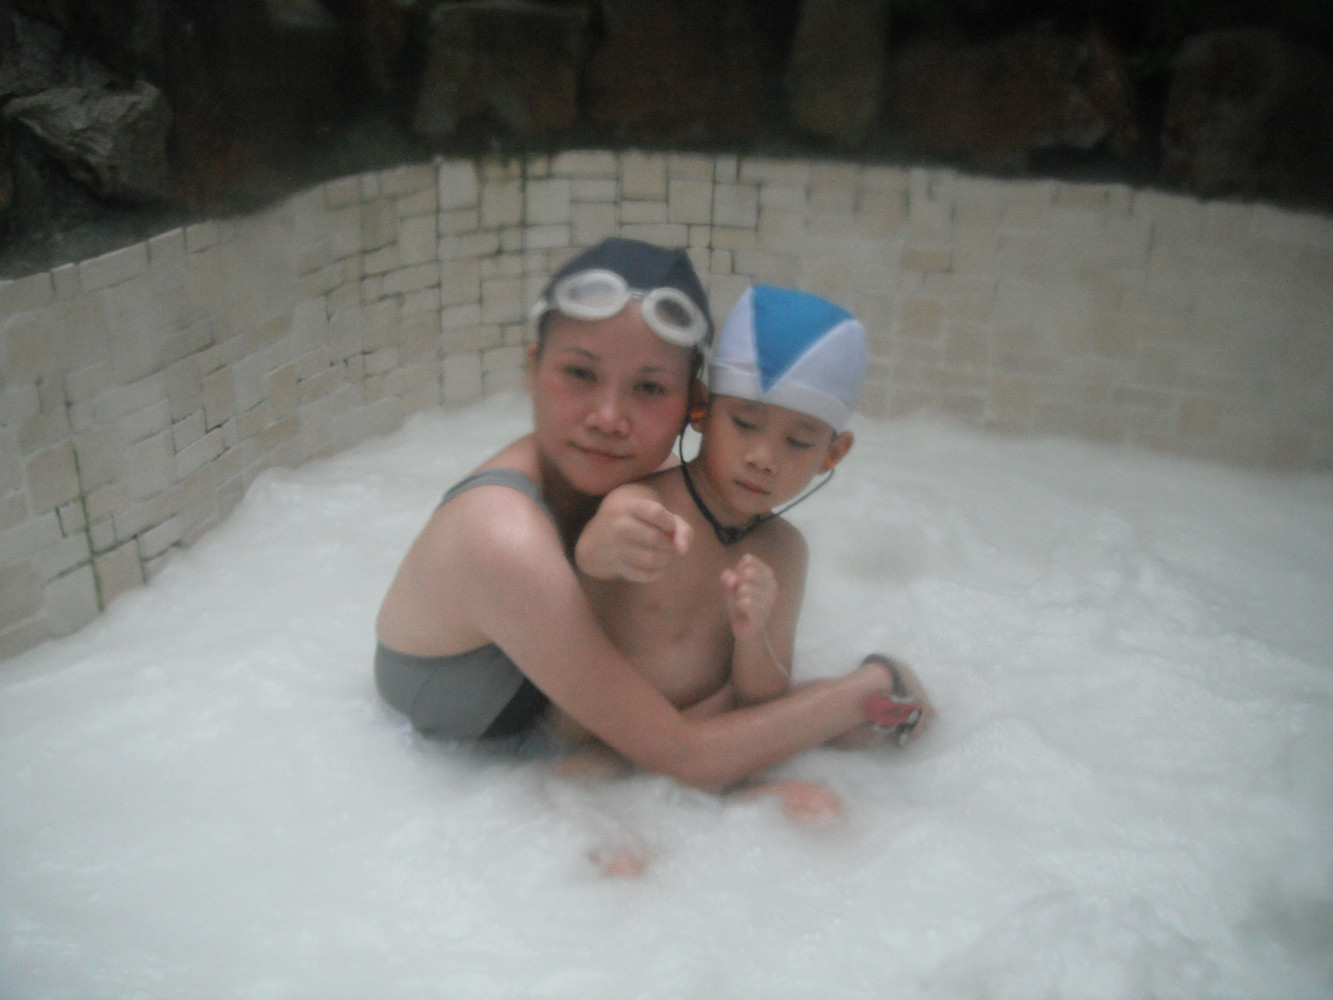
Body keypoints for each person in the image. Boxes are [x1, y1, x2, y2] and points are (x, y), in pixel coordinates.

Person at [374, 237, 916, 792]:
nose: (609, 418)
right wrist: (863, 692)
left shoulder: (642, 479)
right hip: (460, 752)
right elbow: (684, 755)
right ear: (533, 368)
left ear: (689, 403)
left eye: (650, 387)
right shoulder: (501, 536)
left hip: (609, 731)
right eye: (580, 373)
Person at [566, 284, 930, 824]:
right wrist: (608, 543)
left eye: (799, 442)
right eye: (745, 424)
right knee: (578, 790)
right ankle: (869, 690)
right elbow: (589, 554)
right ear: (700, 409)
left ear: (833, 453)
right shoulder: (647, 502)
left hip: (702, 729)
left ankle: (757, 778)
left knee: (822, 811)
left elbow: (761, 696)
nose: (764, 457)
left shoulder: (784, 551)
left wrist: (754, 633)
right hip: (610, 738)